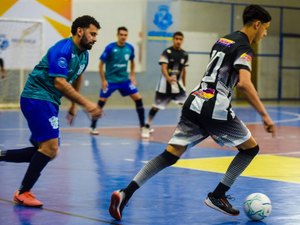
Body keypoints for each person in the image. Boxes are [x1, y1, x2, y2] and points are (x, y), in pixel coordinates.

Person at [108, 4, 275, 220]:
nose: (265, 33)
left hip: (195, 100)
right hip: (215, 106)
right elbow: (244, 83)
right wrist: (264, 114)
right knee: (250, 149)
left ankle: (125, 193)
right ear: (257, 24)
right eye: (266, 28)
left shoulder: (223, 40)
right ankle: (218, 195)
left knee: (170, 154)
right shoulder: (245, 48)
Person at [0, 15, 102, 207]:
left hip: (50, 101)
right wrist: (87, 104)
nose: (95, 38)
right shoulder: (62, 49)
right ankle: (23, 192)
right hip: (36, 97)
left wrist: (73, 105)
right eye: (93, 34)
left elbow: (77, 76)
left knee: (47, 151)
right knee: (50, 148)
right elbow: (60, 82)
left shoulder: (84, 54)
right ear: (80, 31)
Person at [89, 26, 147, 138]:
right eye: (121, 35)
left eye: (125, 35)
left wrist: (133, 76)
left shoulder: (130, 48)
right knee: (101, 102)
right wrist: (103, 80)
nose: (123, 37)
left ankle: (142, 126)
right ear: (117, 35)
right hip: (110, 81)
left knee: (138, 99)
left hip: (124, 80)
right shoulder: (110, 48)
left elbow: (133, 62)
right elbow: (101, 65)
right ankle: (93, 126)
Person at [143, 31, 189, 137]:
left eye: (180, 39)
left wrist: (184, 86)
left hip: (177, 87)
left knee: (187, 106)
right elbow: (163, 67)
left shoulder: (184, 54)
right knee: (156, 107)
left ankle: (186, 128)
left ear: (182, 41)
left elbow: (183, 71)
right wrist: (168, 78)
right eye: (176, 39)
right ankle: (146, 126)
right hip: (164, 86)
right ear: (173, 39)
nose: (178, 41)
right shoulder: (167, 52)